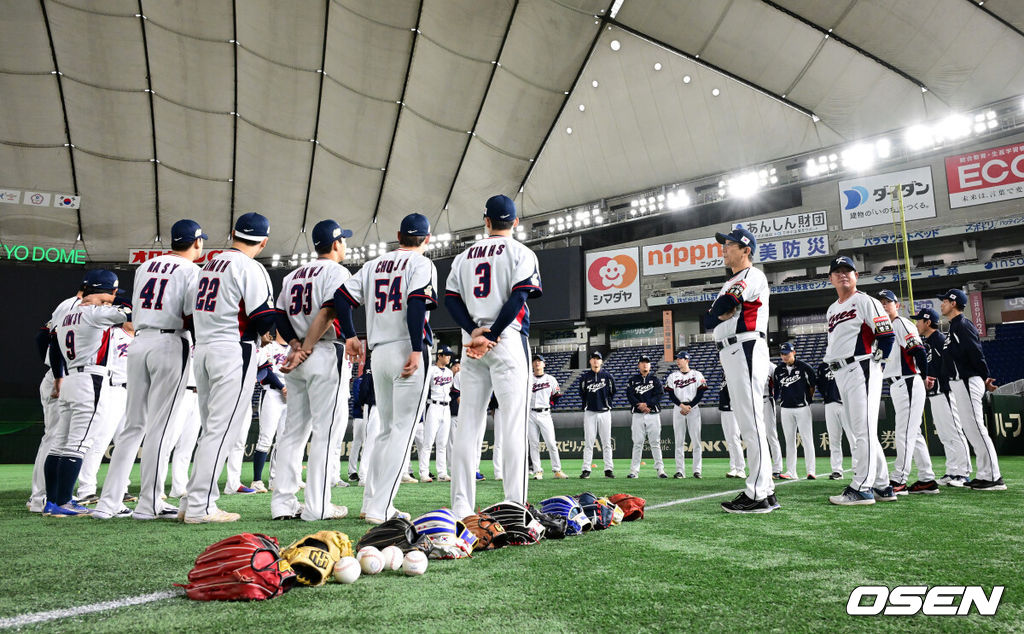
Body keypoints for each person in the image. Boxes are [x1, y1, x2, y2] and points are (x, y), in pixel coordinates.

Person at [302, 212, 437, 523]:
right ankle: (381, 508)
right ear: (427, 239)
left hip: (379, 352)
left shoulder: (373, 264)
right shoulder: (422, 264)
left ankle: (370, 502)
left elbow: (341, 297)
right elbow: (417, 302)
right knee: (402, 431)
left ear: (398, 235)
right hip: (407, 347)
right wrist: (417, 349)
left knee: (387, 431)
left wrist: (350, 334)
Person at [95, 220, 205, 521]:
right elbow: (192, 313)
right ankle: (150, 503)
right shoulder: (192, 271)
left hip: (139, 341)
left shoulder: (146, 266)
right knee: (162, 426)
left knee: (132, 426)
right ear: (196, 242)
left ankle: (108, 503)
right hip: (170, 341)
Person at [444, 195, 542, 519]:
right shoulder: (521, 252)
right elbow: (519, 297)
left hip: (470, 345)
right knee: (513, 425)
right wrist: (494, 334)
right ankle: (514, 506)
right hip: (507, 340)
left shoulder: (463, 257)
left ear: (485, 221)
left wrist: (475, 331)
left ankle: (460, 507)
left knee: (468, 427)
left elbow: (452, 301)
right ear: (515, 222)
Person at [181, 212, 276, 524]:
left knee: (211, 431)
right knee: (221, 432)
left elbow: (190, 313)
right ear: (263, 242)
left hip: (204, 348)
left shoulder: (208, 263)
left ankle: (191, 500)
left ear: (233, 233)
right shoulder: (250, 267)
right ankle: (200, 506)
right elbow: (262, 317)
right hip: (233, 349)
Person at [270, 219, 353, 521]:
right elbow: (329, 311)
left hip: (297, 357)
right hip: (322, 351)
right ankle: (318, 506)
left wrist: (294, 344)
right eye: (343, 240)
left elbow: (278, 315)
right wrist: (306, 346)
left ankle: (282, 503)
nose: (345, 244)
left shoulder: (293, 275)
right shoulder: (337, 271)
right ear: (335, 244)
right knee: (325, 432)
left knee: (293, 431)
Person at [46, 270, 129, 516]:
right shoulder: (95, 312)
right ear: (103, 291)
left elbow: (52, 346)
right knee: (77, 444)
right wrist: (113, 303)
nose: (113, 297)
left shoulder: (64, 314)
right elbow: (131, 313)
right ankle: (63, 503)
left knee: (59, 444)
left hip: (70, 377)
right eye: (112, 292)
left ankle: (51, 501)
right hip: (90, 378)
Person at [705, 228, 776, 514]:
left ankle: (758, 494)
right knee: (749, 421)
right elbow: (714, 316)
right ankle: (766, 490)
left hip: (745, 346)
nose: (723, 249)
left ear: (746, 249)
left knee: (751, 422)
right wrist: (721, 312)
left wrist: (723, 311)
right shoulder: (734, 280)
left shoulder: (751, 275)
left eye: (729, 245)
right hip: (734, 349)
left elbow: (724, 307)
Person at [823, 256, 897, 506]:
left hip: (860, 365)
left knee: (861, 429)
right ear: (831, 278)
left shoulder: (866, 301)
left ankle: (862, 488)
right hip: (842, 370)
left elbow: (886, 335)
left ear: (856, 276)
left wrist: (878, 359)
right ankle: (883, 486)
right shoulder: (832, 308)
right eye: (838, 271)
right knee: (861, 429)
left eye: (848, 271)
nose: (843, 274)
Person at [938, 288, 1005, 490]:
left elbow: (976, 353)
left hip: (967, 380)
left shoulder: (963, 325)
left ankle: (994, 477)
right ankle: (985, 474)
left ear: (953, 303)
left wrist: (985, 378)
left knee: (975, 427)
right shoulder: (953, 327)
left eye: (944, 301)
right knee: (971, 428)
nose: (941, 304)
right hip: (960, 382)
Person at [877, 290, 937, 495]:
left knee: (903, 433)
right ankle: (927, 480)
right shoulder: (886, 328)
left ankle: (899, 480)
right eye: (881, 302)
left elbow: (919, 350)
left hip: (908, 381)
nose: (884, 305)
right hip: (899, 383)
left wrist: (922, 376)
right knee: (914, 433)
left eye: (888, 302)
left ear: (897, 305)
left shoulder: (901, 324)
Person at [28, 288, 82, 513]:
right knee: (53, 438)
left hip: (62, 375)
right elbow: (44, 337)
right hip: (60, 377)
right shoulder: (74, 306)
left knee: (60, 438)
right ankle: (39, 497)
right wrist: (56, 370)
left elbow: (43, 335)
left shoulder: (67, 305)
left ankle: (54, 495)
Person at [910, 307, 972, 487]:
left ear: (927, 322)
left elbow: (948, 365)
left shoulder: (938, 339)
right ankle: (952, 471)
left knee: (954, 432)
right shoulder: (928, 341)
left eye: (919, 320)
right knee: (945, 435)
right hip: (935, 393)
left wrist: (942, 384)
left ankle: (963, 473)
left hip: (945, 391)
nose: (917, 323)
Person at [76, 321, 133, 504]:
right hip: (113, 389)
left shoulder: (142, 336)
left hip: (134, 392)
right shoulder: (113, 333)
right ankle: (86, 490)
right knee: (100, 441)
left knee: (126, 444)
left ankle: (120, 488)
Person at [249, 331, 289, 493]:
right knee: (265, 438)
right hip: (272, 393)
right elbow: (264, 371)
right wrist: (282, 387)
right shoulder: (270, 347)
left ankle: (276, 479)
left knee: (283, 440)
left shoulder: (294, 348)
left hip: (290, 396)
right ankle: (257, 480)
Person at [773, 342, 817, 480]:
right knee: (789, 441)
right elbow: (777, 388)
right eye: (782, 354)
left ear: (794, 352)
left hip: (802, 408)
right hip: (785, 408)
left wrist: (807, 400)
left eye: (787, 353)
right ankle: (791, 472)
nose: (784, 356)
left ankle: (811, 471)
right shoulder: (778, 370)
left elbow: (812, 386)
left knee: (807, 439)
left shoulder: (805, 367)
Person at [665, 350, 707, 479]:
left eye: (680, 359)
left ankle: (697, 470)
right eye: (677, 359)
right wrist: (682, 405)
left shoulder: (697, 374)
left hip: (693, 408)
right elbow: (671, 394)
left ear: (687, 360)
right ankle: (680, 471)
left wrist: (690, 405)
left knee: (696, 440)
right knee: (679, 440)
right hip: (678, 408)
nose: (677, 361)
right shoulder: (673, 376)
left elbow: (701, 393)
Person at [627, 355, 666, 479]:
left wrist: (648, 404)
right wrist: (640, 405)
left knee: (655, 443)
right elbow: (630, 395)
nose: (645, 365)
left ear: (650, 365)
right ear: (639, 365)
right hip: (638, 415)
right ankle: (634, 471)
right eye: (643, 362)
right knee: (637, 443)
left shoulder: (655, 380)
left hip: (653, 414)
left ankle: (660, 469)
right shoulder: (633, 380)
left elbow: (659, 394)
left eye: (647, 363)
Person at [528, 354, 567, 480]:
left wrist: (550, 405)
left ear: (544, 364)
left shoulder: (550, 379)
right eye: (535, 361)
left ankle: (557, 470)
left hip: (545, 413)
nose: (537, 363)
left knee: (551, 443)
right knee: (533, 444)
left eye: (540, 361)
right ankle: (537, 471)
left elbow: (556, 395)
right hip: (530, 414)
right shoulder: (528, 379)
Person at [419, 347, 454, 482]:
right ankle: (424, 473)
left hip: (446, 407)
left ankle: (442, 473)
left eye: (449, 355)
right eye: (446, 355)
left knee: (442, 443)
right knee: (428, 442)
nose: (448, 358)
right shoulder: (431, 370)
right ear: (439, 356)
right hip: (433, 405)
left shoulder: (450, 373)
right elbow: (424, 389)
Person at [579, 351, 616, 479]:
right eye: (593, 359)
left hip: (605, 412)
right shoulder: (585, 377)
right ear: (590, 361)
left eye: (598, 359)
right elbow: (582, 393)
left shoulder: (607, 376)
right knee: (589, 442)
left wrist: (607, 403)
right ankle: (586, 469)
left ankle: (608, 469)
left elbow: (612, 392)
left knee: (606, 442)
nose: (595, 361)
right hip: (590, 413)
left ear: (601, 361)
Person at [168, 356, 200, 498]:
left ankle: (179, 487)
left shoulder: (203, 340)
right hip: (180, 392)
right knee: (168, 443)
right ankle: (156, 488)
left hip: (198, 393)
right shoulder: (179, 336)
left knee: (187, 446)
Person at [816, 361, 854, 480]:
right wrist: (827, 395)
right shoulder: (823, 366)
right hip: (830, 404)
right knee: (834, 439)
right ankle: (837, 470)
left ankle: (859, 468)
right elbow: (821, 384)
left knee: (853, 439)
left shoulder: (847, 361)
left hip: (846, 404)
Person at [718, 381, 746, 478]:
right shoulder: (724, 375)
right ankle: (733, 468)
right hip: (724, 409)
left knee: (734, 439)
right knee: (729, 440)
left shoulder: (734, 372)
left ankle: (741, 469)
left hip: (733, 409)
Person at [764, 376, 784, 479]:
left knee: (771, 435)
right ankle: (761, 468)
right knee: (758, 437)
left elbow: (778, 386)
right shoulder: (751, 364)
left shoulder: (771, 367)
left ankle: (777, 468)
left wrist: (773, 398)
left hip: (767, 400)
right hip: (754, 401)